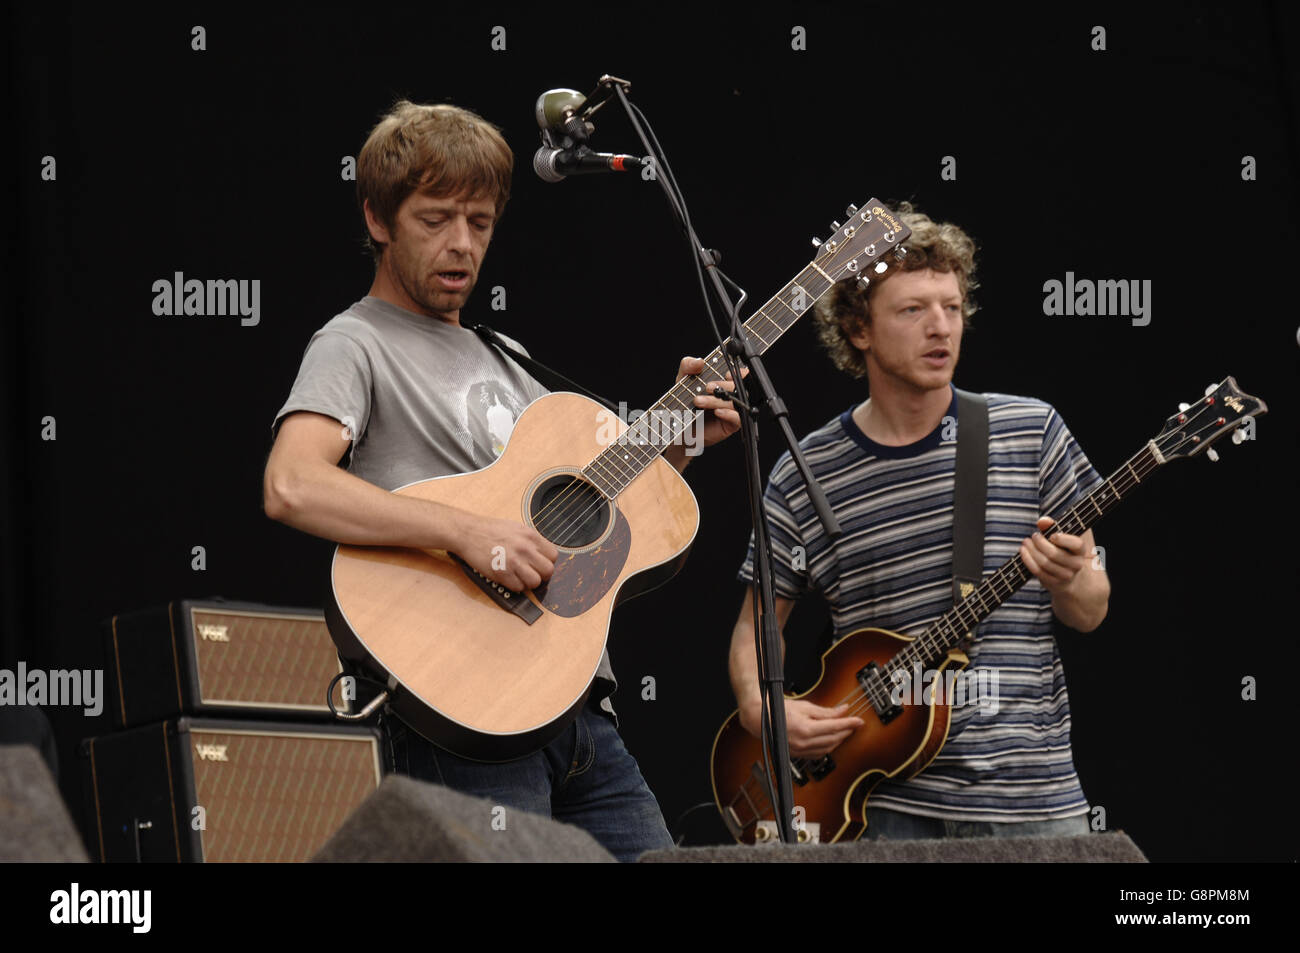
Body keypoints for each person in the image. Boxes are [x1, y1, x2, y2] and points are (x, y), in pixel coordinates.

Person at [263, 100, 741, 861]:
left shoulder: (505, 353)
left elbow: (587, 511)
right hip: (467, 710)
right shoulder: (353, 342)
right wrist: (469, 533)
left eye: (479, 223)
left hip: (578, 707)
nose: (460, 244)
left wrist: (676, 446)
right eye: (436, 219)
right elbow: (291, 484)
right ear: (378, 220)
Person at [728, 203, 1110, 839]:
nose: (942, 328)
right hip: (880, 806)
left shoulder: (1030, 432)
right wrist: (758, 704)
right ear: (859, 329)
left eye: (952, 308)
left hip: (1034, 803)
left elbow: (1091, 609)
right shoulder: (805, 470)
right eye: (913, 310)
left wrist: (1072, 579)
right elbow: (754, 626)